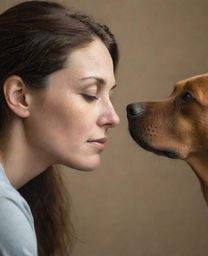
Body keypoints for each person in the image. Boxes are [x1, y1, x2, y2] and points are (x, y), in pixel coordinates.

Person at [0, 1, 120, 256]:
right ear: (20, 96)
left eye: (109, 94)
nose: (113, 117)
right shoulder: (4, 212)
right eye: (90, 94)